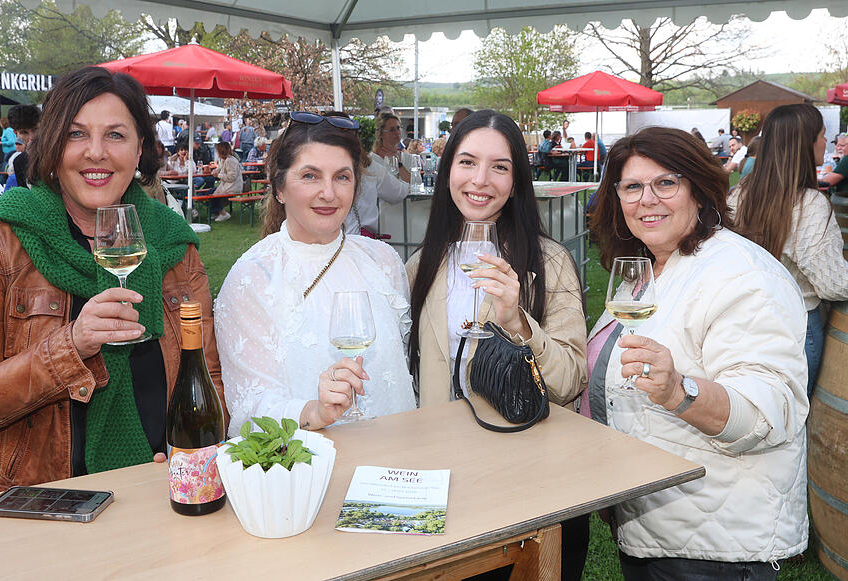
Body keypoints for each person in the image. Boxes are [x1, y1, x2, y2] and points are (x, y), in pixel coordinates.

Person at [0, 65, 225, 496]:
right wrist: (71, 347)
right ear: (51, 143)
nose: (96, 153)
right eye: (76, 134)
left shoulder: (175, 245)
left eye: (116, 135)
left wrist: (193, 453)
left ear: (140, 146)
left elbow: (209, 380)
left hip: (162, 493)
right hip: (39, 504)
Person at [588, 126, 808, 580]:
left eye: (666, 182)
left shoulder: (744, 276)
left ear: (699, 190)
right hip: (656, 526)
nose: (647, 199)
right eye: (632, 186)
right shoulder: (647, 270)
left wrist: (678, 391)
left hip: (716, 544)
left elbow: (769, 412)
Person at [406, 109, 588, 581]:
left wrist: (518, 321)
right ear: (447, 170)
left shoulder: (549, 263)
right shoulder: (421, 264)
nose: (480, 180)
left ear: (516, 180)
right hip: (445, 481)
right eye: (467, 162)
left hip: (530, 482)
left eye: (499, 167)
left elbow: (570, 380)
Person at [214, 111, 415, 437]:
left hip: (398, 466)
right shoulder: (253, 278)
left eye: (342, 177)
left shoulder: (383, 262)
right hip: (310, 473)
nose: (329, 193)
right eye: (310, 176)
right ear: (279, 188)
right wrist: (315, 411)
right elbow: (249, 408)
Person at [731, 104, 848, 397]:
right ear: (804, 144)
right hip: (794, 327)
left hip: (740, 321)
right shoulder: (809, 204)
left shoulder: (740, 193)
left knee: (753, 409)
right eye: (822, 135)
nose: (826, 142)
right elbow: (834, 284)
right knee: (791, 420)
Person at [343, 109, 409, 237]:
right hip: (359, 239)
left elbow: (403, 189)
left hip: (353, 238)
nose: (397, 132)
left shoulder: (372, 166)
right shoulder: (371, 164)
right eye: (391, 129)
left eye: (398, 128)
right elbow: (401, 191)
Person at [6, 104, 41, 189]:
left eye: (35, 130)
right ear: (16, 133)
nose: (32, 137)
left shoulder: (60, 154)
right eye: (24, 132)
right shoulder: (19, 162)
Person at [210, 141, 241, 222]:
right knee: (210, 192)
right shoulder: (225, 159)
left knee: (213, 195)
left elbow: (231, 177)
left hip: (233, 186)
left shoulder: (230, 161)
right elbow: (220, 167)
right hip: (227, 185)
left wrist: (218, 175)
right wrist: (215, 171)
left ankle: (223, 213)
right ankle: (217, 212)